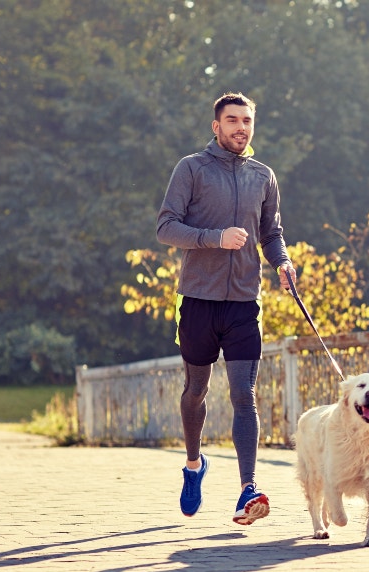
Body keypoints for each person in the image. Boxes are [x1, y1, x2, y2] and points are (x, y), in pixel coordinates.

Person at [156, 92, 297, 526]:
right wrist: (214, 238)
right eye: (232, 120)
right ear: (215, 126)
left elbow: (271, 233)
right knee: (196, 390)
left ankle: (247, 489)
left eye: (247, 121)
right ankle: (194, 464)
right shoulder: (191, 168)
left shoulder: (263, 176)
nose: (240, 127)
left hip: (243, 302)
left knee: (243, 395)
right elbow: (165, 227)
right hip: (197, 299)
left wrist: (284, 262)